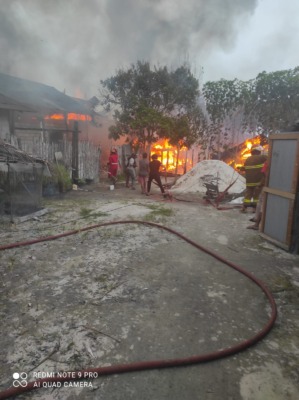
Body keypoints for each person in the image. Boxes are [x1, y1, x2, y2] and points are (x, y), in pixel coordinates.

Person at [239, 145, 267, 213]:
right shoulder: (262, 157)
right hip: (258, 181)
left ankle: (244, 207)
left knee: (248, 194)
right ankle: (255, 208)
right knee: (256, 195)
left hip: (249, 181)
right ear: (258, 151)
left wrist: (240, 168)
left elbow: (245, 168)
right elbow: (270, 158)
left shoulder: (248, 159)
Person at [247, 159, 268, 230]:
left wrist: (260, 184)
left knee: (262, 206)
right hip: (267, 187)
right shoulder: (268, 162)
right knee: (260, 204)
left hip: (267, 187)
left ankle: (257, 224)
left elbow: (265, 175)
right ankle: (256, 220)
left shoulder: (268, 162)